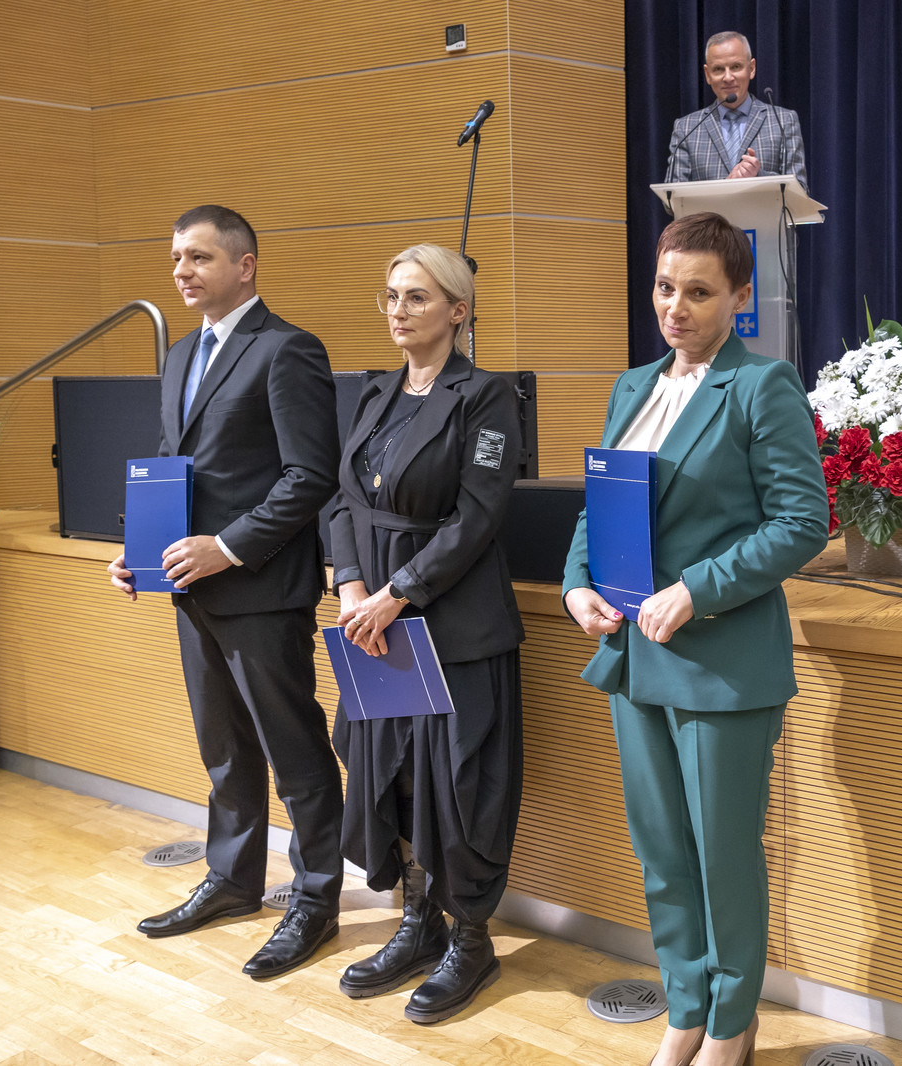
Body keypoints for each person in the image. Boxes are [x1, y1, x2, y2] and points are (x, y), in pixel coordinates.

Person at [561, 212, 828, 1066]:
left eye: (700, 292)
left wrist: (695, 590)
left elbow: (802, 523)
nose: (675, 307)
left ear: (740, 297)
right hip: (632, 658)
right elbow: (599, 505)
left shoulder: (761, 386)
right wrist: (575, 584)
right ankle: (685, 1007)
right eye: (665, 287)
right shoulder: (631, 385)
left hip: (720, 663)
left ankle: (731, 1021)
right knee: (663, 855)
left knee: (722, 856)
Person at [108, 205, 344, 979]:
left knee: (294, 752)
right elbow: (172, 463)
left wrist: (228, 547)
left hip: (263, 589)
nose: (182, 271)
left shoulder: (287, 349)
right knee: (224, 751)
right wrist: (138, 549)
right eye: (177, 257)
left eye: (199, 257)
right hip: (190, 590)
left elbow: (309, 475)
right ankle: (234, 881)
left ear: (245, 266)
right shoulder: (181, 354)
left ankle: (315, 899)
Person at [328, 244, 525, 1025]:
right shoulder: (374, 392)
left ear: (458, 310)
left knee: (460, 786)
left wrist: (397, 593)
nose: (398, 310)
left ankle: (471, 941)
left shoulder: (486, 396)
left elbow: (478, 516)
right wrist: (351, 585)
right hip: (375, 627)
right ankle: (419, 924)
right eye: (390, 296)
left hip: (451, 625)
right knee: (394, 776)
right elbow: (341, 501)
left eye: (416, 296)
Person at [664, 31, 807, 192]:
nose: (728, 77)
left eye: (736, 67)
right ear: (707, 75)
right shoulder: (686, 128)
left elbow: (800, 191)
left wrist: (758, 175)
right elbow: (671, 198)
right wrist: (725, 187)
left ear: (751, 68)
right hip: (712, 210)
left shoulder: (783, 121)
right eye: (718, 69)